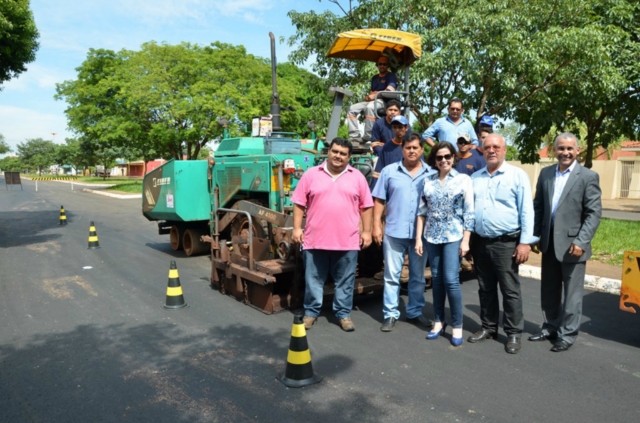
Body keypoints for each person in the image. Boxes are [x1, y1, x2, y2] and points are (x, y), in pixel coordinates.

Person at [291, 138, 374, 332]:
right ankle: (311, 313)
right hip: (314, 240)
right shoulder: (311, 175)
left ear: (349, 157)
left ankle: (343, 314)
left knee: (345, 281)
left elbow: (367, 206)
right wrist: (296, 229)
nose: (338, 156)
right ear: (328, 152)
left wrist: (367, 231)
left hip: (347, 240)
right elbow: (298, 203)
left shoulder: (357, 177)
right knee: (313, 280)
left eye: (343, 153)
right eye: (335, 151)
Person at [530, 132, 602, 352]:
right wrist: (535, 235)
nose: (565, 152)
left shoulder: (588, 176)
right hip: (549, 242)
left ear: (577, 150)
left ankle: (567, 335)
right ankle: (550, 326)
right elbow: (538, 207)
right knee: (549, 290)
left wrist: (581, 241)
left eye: (570, 148)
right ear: (554, 150)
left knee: (572, 294)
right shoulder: (546, 174)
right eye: (561, 148)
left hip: (574, 246)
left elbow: (594, 213)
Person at [468, 133, 538, 354]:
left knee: (509, 290)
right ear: (482, 150)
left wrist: (525, 242)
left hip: (506, 243)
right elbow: (469, 211)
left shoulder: (517, 176)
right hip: (480, 242)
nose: (491, 150)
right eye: (487, 147)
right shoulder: (475, 178)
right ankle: (488, 327)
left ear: (505, 150)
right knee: (485, 288)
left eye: (496, 147)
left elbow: (527, 210)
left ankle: (514, 333)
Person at [372, 134, 434, 332]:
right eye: (408, 147)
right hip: (394, 231)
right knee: (391, 276)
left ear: (422, 150)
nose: (412, 151)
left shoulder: (431, 174)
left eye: (416, 147)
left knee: (417, 276)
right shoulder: (389, 172)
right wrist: (376, 226)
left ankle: (415, 312)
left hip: (420, 236)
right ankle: (390, 314)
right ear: (403, 149)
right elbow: (379, 200)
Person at [415, 142, 474, 347]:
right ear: (434, 160)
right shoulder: (427, 181)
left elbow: (469, 212)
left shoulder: (463, 180)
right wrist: (418, 239)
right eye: (439, 157)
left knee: (451, 279)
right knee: (437, 279)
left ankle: (457, 324)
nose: (443, 160)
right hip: (431, 236)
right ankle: (439, 321)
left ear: (453, 157)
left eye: (447, 156)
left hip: (453, 235)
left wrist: (466, 240)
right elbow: (421, 212)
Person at [347, 56, 397, 144]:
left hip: (384, 101)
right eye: (380, 64)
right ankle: (354, 136)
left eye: (384, 64)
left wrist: (375, 95)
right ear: (377, 65)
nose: (382, 66)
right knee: (351, 108)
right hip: (374, 100)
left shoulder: (390, 76)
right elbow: (372, 92)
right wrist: (368, 97)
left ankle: (368, 135)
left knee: (370, 107)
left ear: (388, 65)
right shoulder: (374, 78)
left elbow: (390, 90)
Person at [370, 115, 410, 190]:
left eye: (400, 127)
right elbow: (378, 171)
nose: (397, 130)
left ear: (406, 128)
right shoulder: (387, 147)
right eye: (395, 127)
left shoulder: (412, 146)